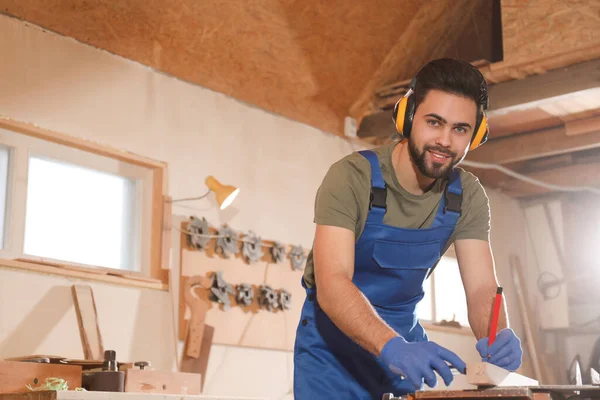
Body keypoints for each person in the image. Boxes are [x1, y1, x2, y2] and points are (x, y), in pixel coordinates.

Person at [293, 58, 523, 399]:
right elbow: (332, 283)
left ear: (475, 136)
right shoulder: (352, 178)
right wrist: (392, 347)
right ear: (409, 116)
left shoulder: (467, 195)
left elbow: (481, 288)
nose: (444, 140)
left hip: (407, 353)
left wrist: (496, 333)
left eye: (460, 129)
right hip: (332, 355)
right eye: (434, 122)